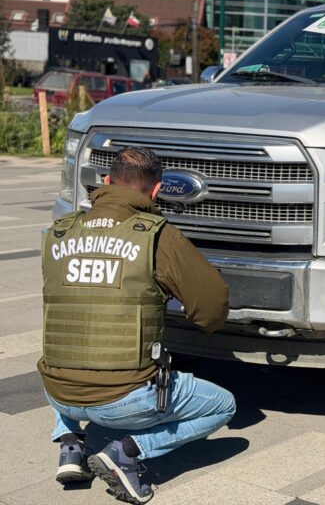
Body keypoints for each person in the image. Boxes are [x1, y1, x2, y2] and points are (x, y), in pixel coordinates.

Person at [38, 146, 235, 504]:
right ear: (156, 190)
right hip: (122, 400)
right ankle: (127, 452)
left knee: (70, 336)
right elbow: (211, 307)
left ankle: (70, 444)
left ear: (107, 182)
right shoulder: (156, 234)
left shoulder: (58, 232)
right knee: (224, 405)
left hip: (58, 394)